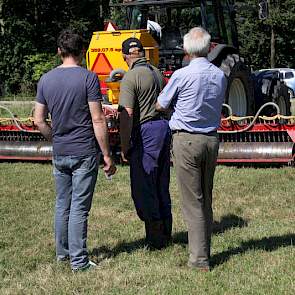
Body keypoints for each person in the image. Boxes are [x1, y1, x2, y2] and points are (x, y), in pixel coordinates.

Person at [34, 29, 116, 272]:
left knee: (62, 204)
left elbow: (39, 119)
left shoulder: (46, 79)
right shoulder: (88, 78)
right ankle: (79, 262)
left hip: (60, 151)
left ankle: (63, 255)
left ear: (59, 51)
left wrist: (55, 138)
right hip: (83, 151)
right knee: (79, 207)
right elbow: (98, 119)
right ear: (82, 51)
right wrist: (107, 155)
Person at [156, 27, 227, 271]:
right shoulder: (220, 75)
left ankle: (199, 259)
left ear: (185, 49)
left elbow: (161, 104)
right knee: (205, 198)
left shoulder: (181, 75)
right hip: (211, 139)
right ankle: (203, 249)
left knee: (192, 202)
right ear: (210, 48)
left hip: (186, 140)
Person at [119, 37, 172, 249]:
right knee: (161, 182)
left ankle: (155, 239)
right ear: (142, 53)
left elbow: (127, 114)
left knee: (144, 184)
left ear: (125, 57)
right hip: (163, 128)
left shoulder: (130, 77)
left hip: (146, 132)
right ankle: (166, 230)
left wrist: (124, 146)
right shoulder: (156, 72)